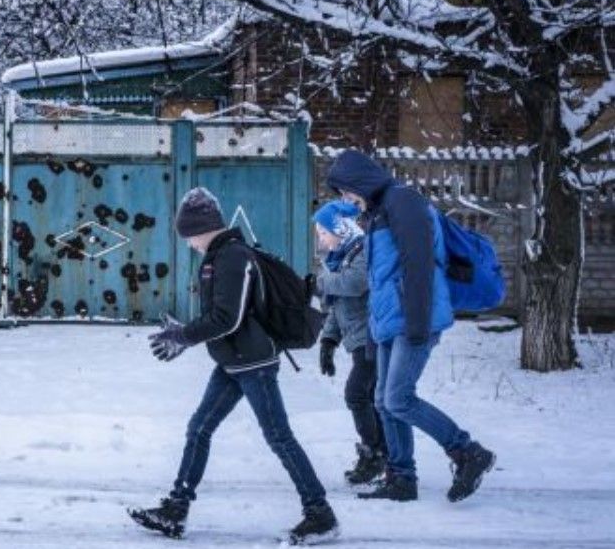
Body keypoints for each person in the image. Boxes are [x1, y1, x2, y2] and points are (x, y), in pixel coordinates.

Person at [129, 187, 339, 544]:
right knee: (199, 429)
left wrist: (185, 336)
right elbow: (221, 317)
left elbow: (228, 318)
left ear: (201, 228)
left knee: (279, 437)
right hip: (233, 361)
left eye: (189, 235)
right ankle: (176, 510)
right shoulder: (218, 256)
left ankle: (320, 514)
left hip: (254, 363)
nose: (189, 243)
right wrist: (186, 335)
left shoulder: (232, 257)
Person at [326, 149, 496, 502]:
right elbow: (379, 279)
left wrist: (418, 323)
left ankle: (467, 452)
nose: (346, 200)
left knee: (398, 399)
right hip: (390, 320)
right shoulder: (376, 213)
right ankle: (401, 478)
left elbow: (418, 264)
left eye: (346, 191)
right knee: (383, 400)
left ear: (359, 181)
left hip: (413, 318)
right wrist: (374, 331)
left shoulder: (403, 201)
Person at [313, 199, 386, 485]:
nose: (321, 240)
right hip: (359, 341)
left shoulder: (362, 250)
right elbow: (339, 304)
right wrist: (328, 341)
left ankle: (375, 454)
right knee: (368, 398)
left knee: (357, 395)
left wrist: (321, 282)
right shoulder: (340, 257)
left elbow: (354, 285)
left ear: (340, 229)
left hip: (373, 337)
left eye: (323, 233)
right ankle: (381, 453)